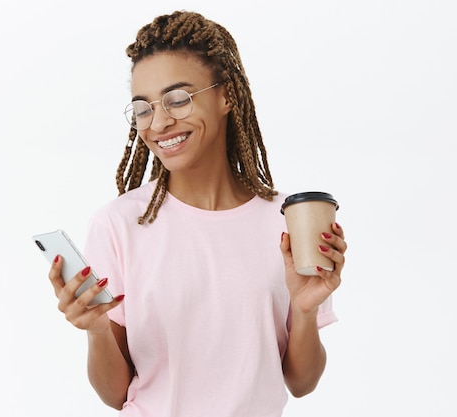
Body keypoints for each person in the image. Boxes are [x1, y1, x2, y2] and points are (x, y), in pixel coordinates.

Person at [48, 10, 347, 417]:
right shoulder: (118, 224)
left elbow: (301, 383)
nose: (160, 122)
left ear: (226, 95)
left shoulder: (288, 220)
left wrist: (306, 308)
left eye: (178, 99)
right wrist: (99, 330)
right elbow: (116, 394)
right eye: (143, 108)